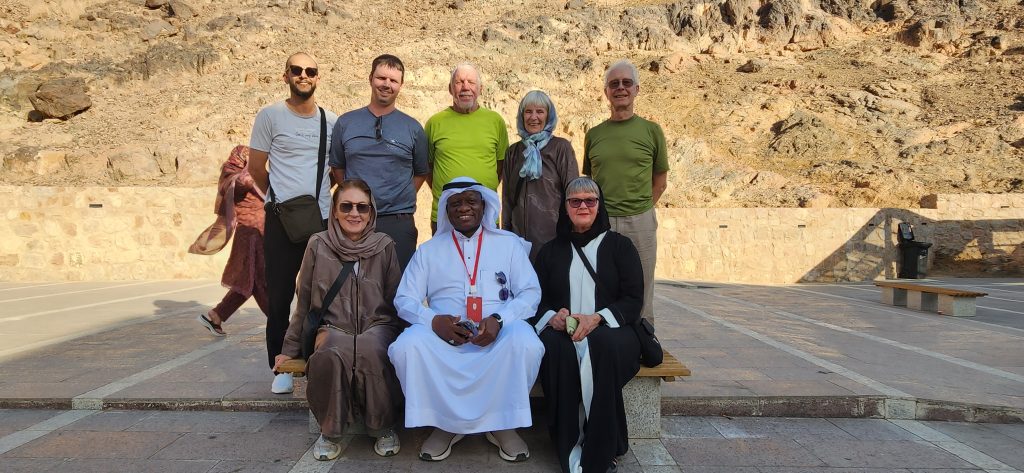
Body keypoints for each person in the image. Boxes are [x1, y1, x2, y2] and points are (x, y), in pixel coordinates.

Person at [388, 177, 543, 462]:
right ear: (446, 210)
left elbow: (531, 293)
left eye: (471, 201)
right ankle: (444, 424)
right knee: (406, 347)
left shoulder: (509, 245)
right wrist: (434, 322)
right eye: (455, 203)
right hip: (445, 337)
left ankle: (503, 424)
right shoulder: (429, 251)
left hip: (497, 334)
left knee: (527, 343)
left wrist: (500, 319)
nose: (463, 208)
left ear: (484, 206)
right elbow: (404, 299)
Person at [273, 179, 406, 461]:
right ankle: (330, 430)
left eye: (362, 207)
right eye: (346, 206)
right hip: (332, 327)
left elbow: (396, 299)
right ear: (334, 210)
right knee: (331, 352)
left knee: (372, 349)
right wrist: (289, 349)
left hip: (377, 326)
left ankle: (382, 426)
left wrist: (408, 337)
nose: (354, 213)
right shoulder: (318, 244)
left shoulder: (384, 245)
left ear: (371, 212)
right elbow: (304, 300)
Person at [531, 176, 643, 473]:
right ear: (565, 207)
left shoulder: (620, 247)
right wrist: (552, 317)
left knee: (599, 346)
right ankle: (569, 444)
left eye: (590, 200)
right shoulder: (550, 252)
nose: (583, 206)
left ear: (599, 205)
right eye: (575, 201)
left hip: (611, 331)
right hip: (562, 332)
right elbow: (535, 299)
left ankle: (600, 450)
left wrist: (597, 318)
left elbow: (633, 299)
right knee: (558, 350)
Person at [248, 52, 338, 394]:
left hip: (320, 218)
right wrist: (282, 198)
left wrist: (312, 199)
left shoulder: (331, 121)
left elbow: (335, 171)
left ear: (318, 77)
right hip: (280, 219)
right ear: (285, 75)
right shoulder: (270, 116)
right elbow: (257, 168)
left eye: (310, 71)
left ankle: (317, 359)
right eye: (296, 70)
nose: (304, 75)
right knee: (280, 296)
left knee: (320, 294)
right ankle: (281, 366)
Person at [583, 59, 668, 323]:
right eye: (614, 84)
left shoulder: (652, 131)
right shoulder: (594, 135)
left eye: (626, 83)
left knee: (642, 285)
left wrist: (640, 208)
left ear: (636, 89)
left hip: (640, 221)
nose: (620, 88)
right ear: (606, 91)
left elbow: (660, 181)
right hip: (603, 223)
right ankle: (606, 337)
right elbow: (590, 179)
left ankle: (644, 338)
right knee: (603, 284)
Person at [329, 54, 428, 270]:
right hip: (355, 220)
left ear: (401, 85)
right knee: (352, 284)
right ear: (370, 79)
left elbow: (421, 172)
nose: (386, 84)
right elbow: (338, 166)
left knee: (397, 285)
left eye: (393, 80)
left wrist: (397, 197)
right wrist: (354, 196)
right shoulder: (345, 123)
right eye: (381, 78)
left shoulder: (413, 128)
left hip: (398, 222)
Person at [191, 145, 268, 336]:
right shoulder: (238, 178)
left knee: (247, 281)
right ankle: (281, 324)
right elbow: (244, 181)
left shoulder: (253, 174)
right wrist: (255, 166)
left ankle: (216, 316)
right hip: (250, 236)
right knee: (259, 280)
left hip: (260, 233)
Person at [424, 64, 509, 231]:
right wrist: (448, 191)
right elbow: (427, 166)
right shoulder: (434, 123)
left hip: (486, 214)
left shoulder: (495, 121)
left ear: (480, 89)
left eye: (471, 82)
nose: (465, 87)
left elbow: (500, 165)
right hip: (446, 215)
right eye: (459, 82)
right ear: (450, 88)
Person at [501, 90, 579, 261]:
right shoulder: (513, 152)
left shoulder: (560, 148)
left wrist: (572, 235)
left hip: (555, 241)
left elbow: (573, 194)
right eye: (528, 111)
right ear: (522, 116)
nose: (533, 117)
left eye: (540, 111)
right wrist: (505, 235)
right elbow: (507, 199)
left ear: (548, 115)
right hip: (519, 243)